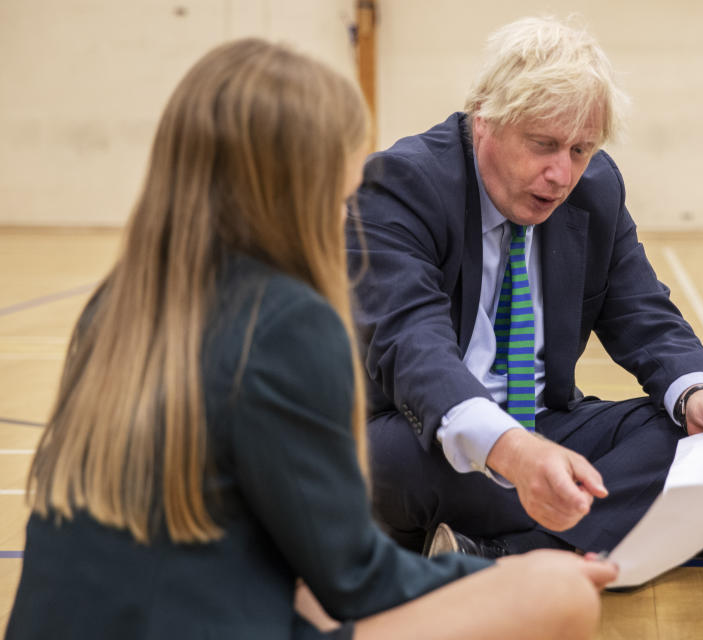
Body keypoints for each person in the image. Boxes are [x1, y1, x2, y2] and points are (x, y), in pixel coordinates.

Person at [5, 39, 617, 640]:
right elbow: (355, 577)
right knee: (557, 596)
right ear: (305, 183)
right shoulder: (290, 322)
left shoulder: (116, 302)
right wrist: (511, 574)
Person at [348, 16, 703, 559]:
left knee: (702, 440)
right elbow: (414, 350)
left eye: (579, 150)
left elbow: (644, 311)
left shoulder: (596, 188)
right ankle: (671, 523)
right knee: (409, 464)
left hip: (548, 424)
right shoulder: (403, 185)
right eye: (543, 144)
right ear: (485, 120)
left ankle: (503, 553)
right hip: (424, 427)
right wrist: (513, 451)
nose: (562, 175)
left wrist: (697, 391)